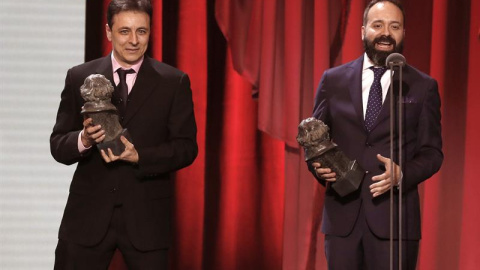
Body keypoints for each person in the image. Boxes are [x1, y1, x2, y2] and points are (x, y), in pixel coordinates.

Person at [50, 0, 198, 269]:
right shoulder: (79, 77)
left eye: (141, 31)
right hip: (87, 219)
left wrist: (140, 155)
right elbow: (58, 144)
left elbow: (187, 148)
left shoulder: (173, 82)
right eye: (124, 31)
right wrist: (83, 140)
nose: (133, 40)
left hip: (146, 219)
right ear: (108, 31)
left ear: (150, 32)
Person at [309, 0, 443, 269]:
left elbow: (432, 153)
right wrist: (317, 166)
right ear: (363, 31)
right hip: (342, 220)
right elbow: (314, 138)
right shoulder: (332, 80)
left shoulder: (422, 86)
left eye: (395, 26)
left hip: (395, 224)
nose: (386, 33)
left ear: (403, 33)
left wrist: (402, 173)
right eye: (378, 25)